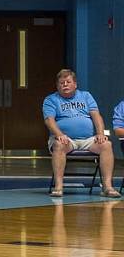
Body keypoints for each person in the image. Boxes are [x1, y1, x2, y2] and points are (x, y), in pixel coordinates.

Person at [43, 69, 119, 198]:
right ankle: (58, 187)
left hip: (87, 139)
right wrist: (59, 134)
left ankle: (107, 187)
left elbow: (96, 116)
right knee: (59, 145)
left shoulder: (86, 96)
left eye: (68, 82)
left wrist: (100, 133)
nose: (65, 85)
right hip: (66, 140)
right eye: (62, 83)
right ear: (57, 86)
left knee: (106, 145)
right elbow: (49, 121)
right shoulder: (51, 99)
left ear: (75, 84)